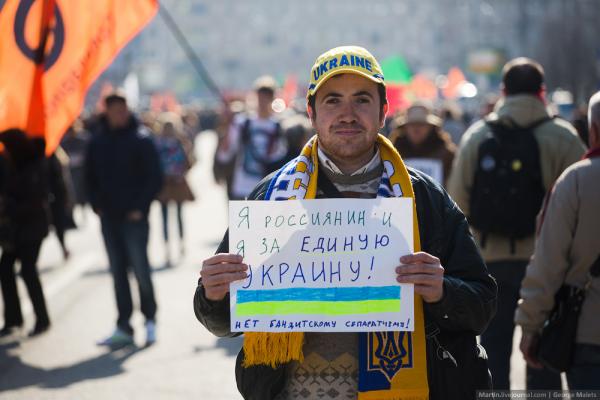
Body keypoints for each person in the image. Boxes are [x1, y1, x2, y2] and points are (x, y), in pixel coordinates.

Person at [194, 46, 497, 400]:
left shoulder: (424, 199)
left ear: (384, 111)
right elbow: (221, 320)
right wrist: (215, 294)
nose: (347, 114)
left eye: (362, 100)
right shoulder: (272, 196)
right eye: (333, 101)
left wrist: (442, 291)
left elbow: (483, 304)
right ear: (311, 112)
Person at [448, 57, 586, 390]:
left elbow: (456, 202)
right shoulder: (564, 138)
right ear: (542, 91)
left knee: (493, 354)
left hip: (489, 261)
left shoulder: (478, 135)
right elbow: (584, 202)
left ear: (503, 91)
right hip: (547, 265)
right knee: (543, 355)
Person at [515, 91, 600, 390]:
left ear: (593, 131)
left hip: (589, 332)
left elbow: (549, 261)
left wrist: (531, 324)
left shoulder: (575, 181)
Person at [85, 92, 163, 347]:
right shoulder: (96, 141)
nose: (119, 114)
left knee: (141, 269)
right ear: (106, 111)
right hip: (109, 217)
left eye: (123, 109)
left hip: (135, 218)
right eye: (114, 109)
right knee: (118, 273)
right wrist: (96, 204)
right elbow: (88, 177)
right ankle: (124, 326)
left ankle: (150, 320)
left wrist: (140, 207)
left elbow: (154, 177)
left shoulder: (141, 139)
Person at [0, 129, 51, 337]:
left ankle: (42, 319)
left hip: (32, 228)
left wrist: (8, 207)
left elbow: (35, 200)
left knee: (28, 271)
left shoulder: (35, 166)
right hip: (14, 229)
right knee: (5, 269)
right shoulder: (8, 164)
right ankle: (13, 318)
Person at [215, 76, 288, 200]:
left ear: (272, 98)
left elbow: (280, 158)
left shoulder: (278, 127)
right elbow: (224, 155)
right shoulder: (241, 123)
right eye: (260, 97)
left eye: (267, 97)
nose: (263, 101)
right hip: (242, 188)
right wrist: (228, 124)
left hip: (267, 189)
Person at [154, 112, 195, 265]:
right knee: (164, 217)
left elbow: (188, 162)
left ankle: (181, 244)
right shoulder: (157, 144)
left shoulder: (179, 142)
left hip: (177, 183)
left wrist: (181, 173)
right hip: (164, 184)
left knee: (178, 215)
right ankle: (167, 248)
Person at [389, 101, 456, 186]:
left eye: (421, 124)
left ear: (431, 128)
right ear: (404, 128)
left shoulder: (447, 154)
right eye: (412, 125)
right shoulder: (391, 154)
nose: (416, 129)